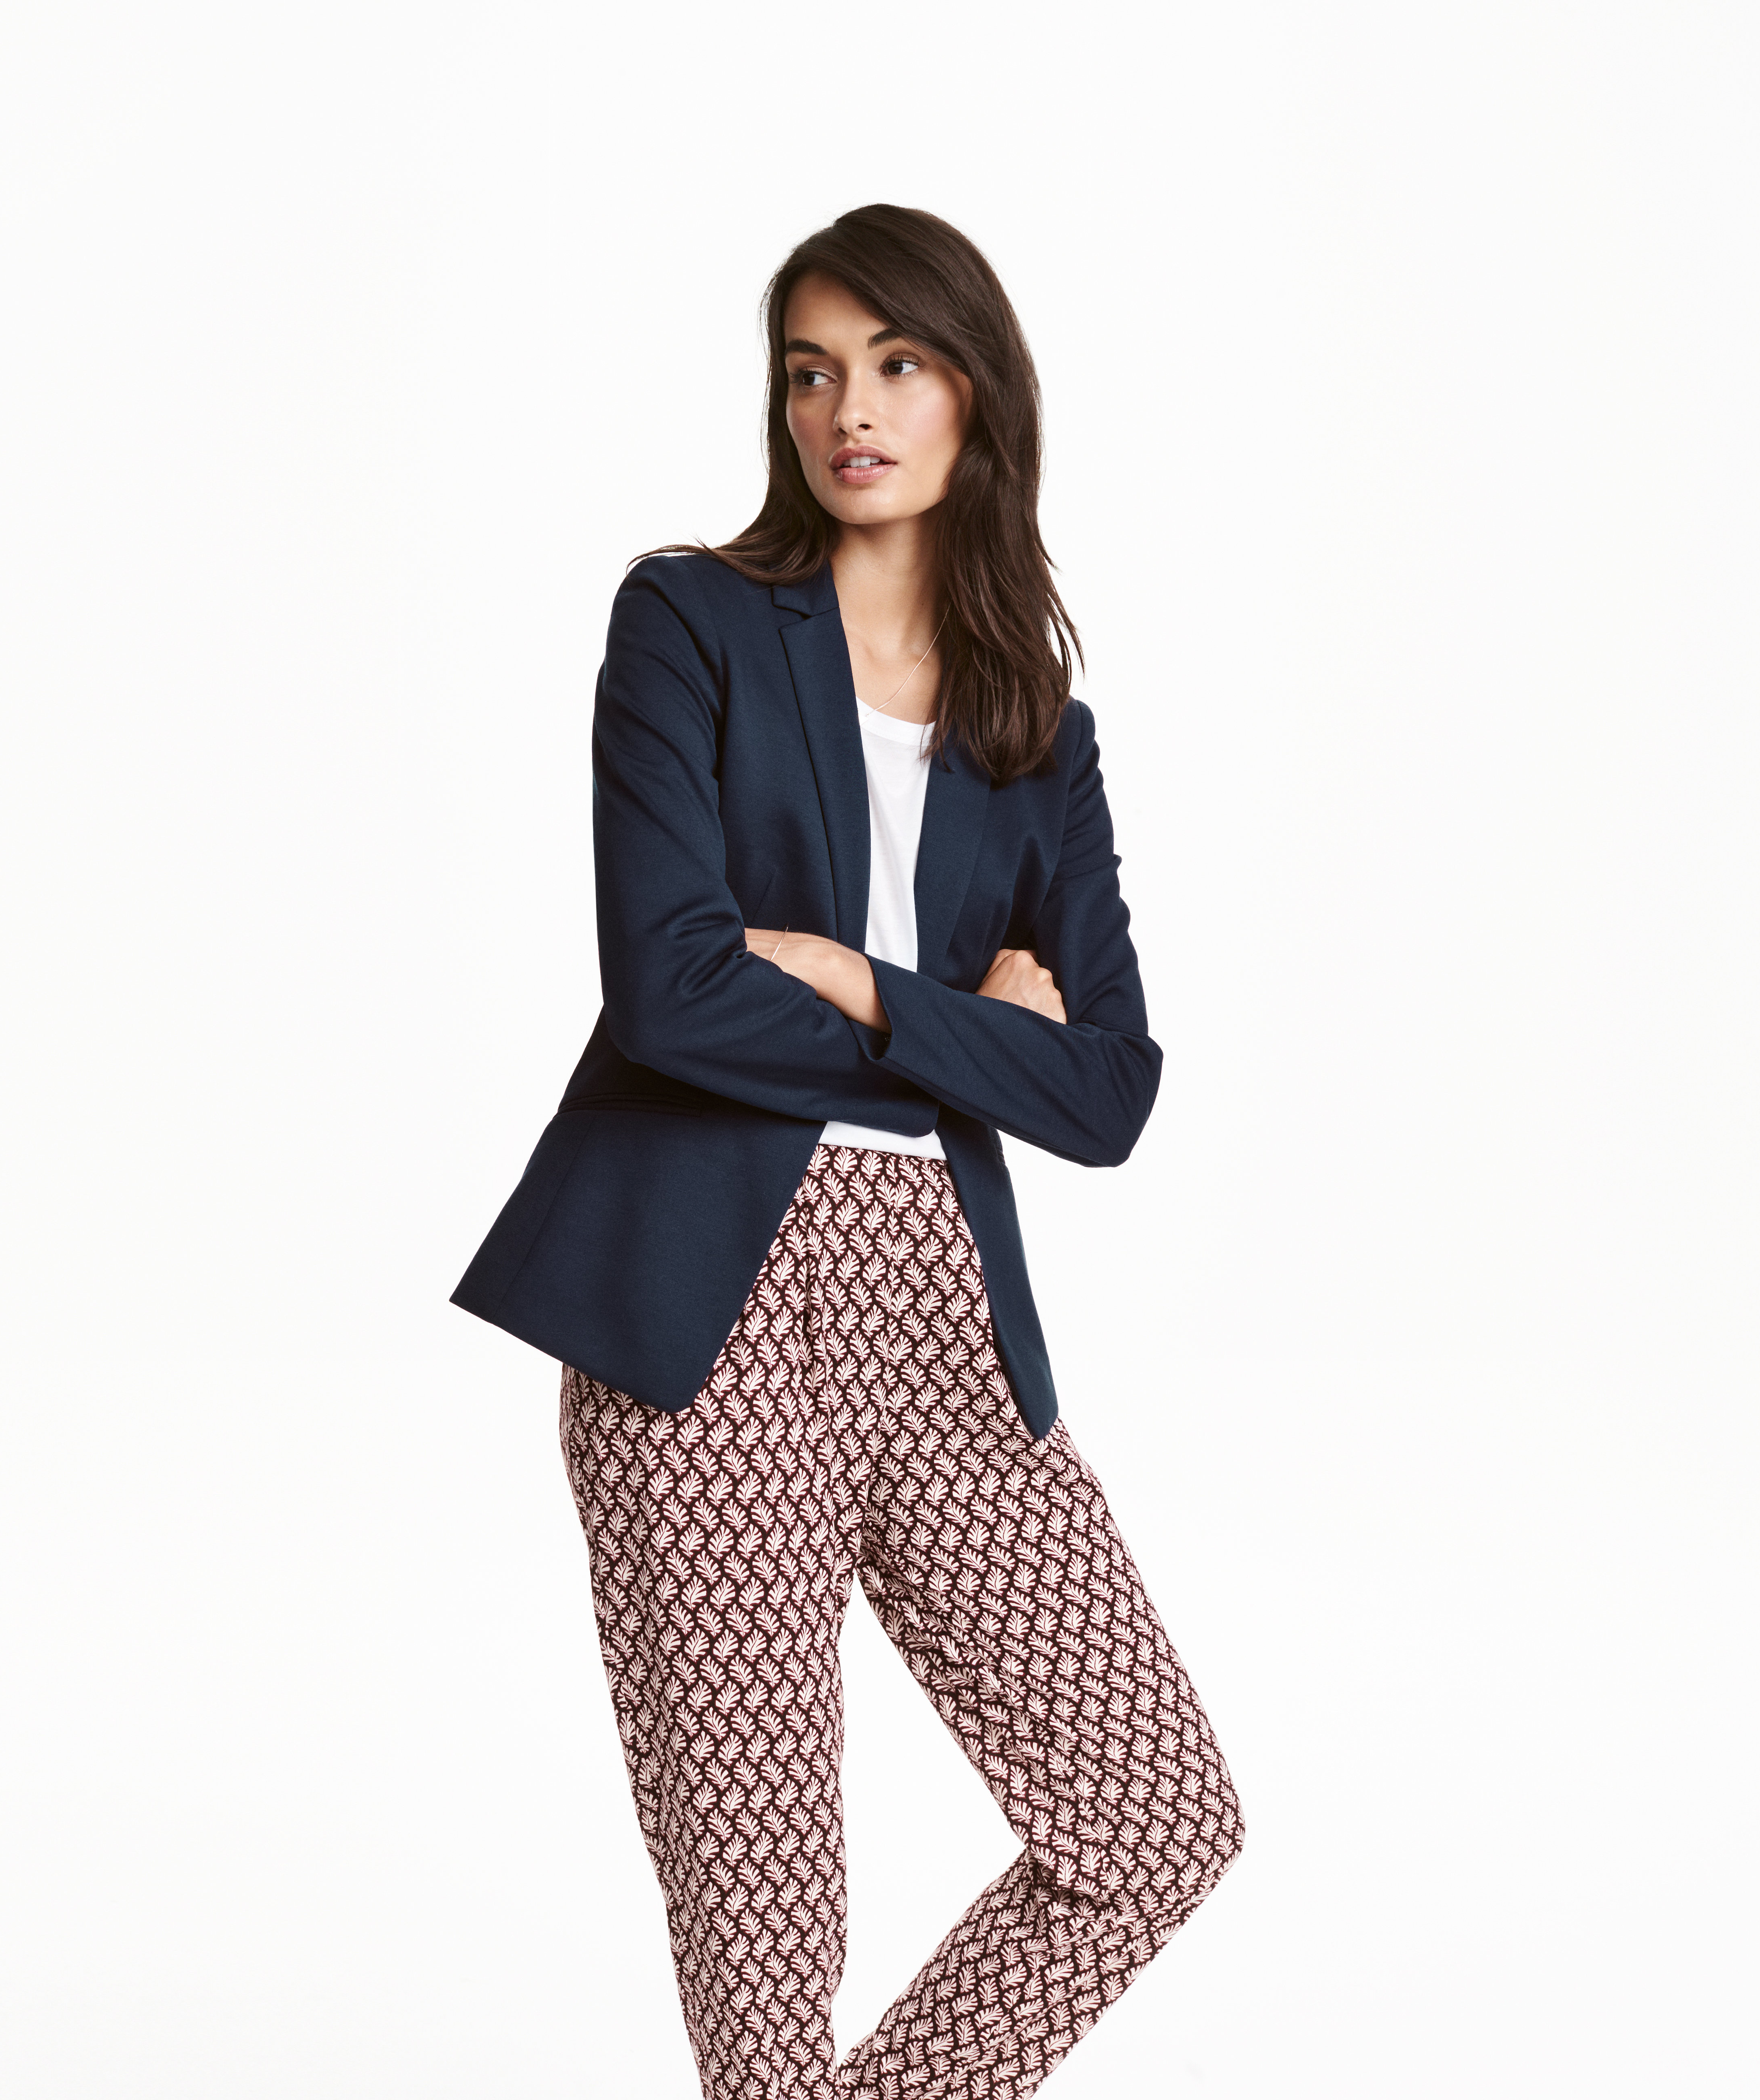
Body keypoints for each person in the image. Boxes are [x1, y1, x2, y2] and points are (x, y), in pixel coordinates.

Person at [452, 202, 1243, 2100]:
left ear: (980, 394)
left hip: (942, 1313)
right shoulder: (691, 623)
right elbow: (670, 996)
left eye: (894, 364)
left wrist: (879, 996)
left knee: (1152, 1819)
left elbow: (1110, 1095)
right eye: (810, 371)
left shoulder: (1038, 737)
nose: (847, 409)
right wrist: (982, 1032)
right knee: (767, 1931)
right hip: (701, 1303)